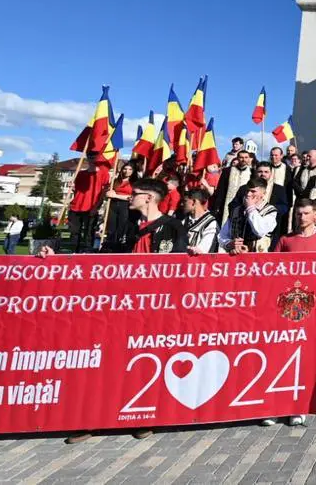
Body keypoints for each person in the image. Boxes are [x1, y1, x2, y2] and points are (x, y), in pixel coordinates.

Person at [39, 177, 185, 443]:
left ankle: (144, 416)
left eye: (134, 193)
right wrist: (57, 257)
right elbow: (104, 254)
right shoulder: (129, 226)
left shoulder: (173, 228)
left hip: (154, 310)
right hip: (120, 307)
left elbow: (181, 267)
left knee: (145, 363)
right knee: (107, 362)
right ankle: (93, 419)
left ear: (149, 198)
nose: (129, 197)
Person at [266, 198, 316, 428]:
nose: (302, 217)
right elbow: (271, 270)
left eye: (306, 213)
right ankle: (275, 407)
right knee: (280, 357)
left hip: (310, 311)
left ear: (315, 215)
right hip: (285, 309)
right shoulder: (285, 240)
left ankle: (298, 406)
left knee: (304, 358)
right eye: (299, 214)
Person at [217, 181, 277, 254]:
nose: (248, 194)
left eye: (253, 191)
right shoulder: (236, 211)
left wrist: (250, 208)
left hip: (259, 258)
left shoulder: (270, 211)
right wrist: (229, 243)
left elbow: (260, 231)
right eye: (247, 191)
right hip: (237, 256)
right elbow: (222, 236)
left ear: (263, 194)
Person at [67, 154, 110, 252]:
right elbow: (77, 191)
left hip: (91, 208)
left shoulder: (104, 174)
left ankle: (87, 252)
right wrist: (72, 188)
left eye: (94, 156)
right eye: (90, 156)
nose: (92, 159)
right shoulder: (81, 174)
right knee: (74, 232)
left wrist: (97, 207)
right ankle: (74, 252)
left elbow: (103, 193)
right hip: (76, 207)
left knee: (89, 233)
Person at [102, 161, 138, 250]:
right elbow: (107, 194)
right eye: (125, 169)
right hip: (113, 205)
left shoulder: (135, 183)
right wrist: (108, 193)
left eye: (130, 169)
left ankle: (119, 247)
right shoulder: (116, 181)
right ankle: (109, 246)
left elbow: (132, 197)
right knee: (111, 228)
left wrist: (116, 196)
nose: (127, 171)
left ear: (133, 171)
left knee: (122, 228)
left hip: (126, 206)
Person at [212, 149, 252, 224]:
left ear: (249, 158)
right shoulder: (227, 171)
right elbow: (221, 189)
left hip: (243, 204)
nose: (243, 159)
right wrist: (217, 205)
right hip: (227, 203)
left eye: (246, 157)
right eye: (241, 157)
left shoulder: (252, 172)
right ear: (238, 158)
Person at [182, 188, 219, 254]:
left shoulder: (211, 223)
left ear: (194, 202)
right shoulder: (184, 221)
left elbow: (203, 250)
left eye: (185, 201)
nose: (182, 204)